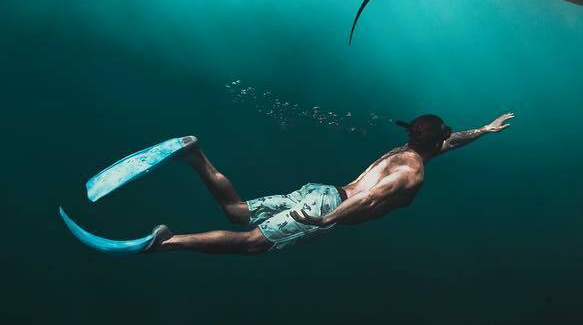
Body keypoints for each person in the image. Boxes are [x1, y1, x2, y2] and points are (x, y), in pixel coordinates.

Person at [146, 112, 514, 254]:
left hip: (321, 191)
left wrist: (484, 130)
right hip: (326, 207)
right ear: (435, 143)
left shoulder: (407, 148)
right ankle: (166, 242)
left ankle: (195, 155)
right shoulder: (412, 172)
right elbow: (370, 198)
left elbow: (452, 140)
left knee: (237, 211)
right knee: (251, 244)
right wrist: (326, 221)